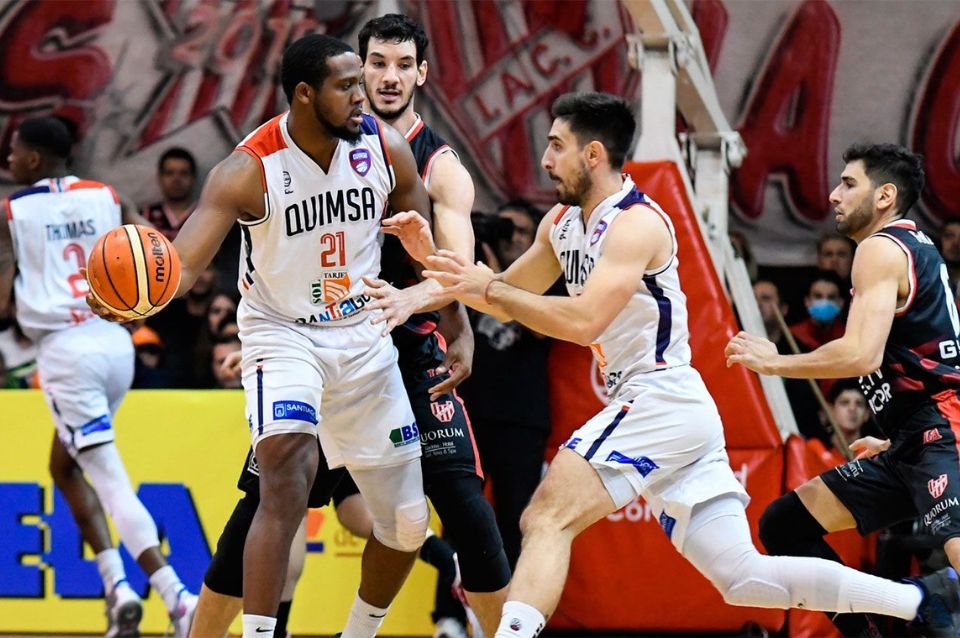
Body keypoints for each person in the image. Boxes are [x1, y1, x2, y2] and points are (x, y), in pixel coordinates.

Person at [385, 94, 960, 638]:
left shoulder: (636, 222)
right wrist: (426, 260)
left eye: (557, 146)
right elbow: (502, 297)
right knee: (742, 576)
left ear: (593, 154)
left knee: (546, 515)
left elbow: (581, 321)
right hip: (671, 413)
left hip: (658, 397)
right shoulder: (560, 223)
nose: (545, 160)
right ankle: (921, 601)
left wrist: (489, 289)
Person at [89, 33, 435, 638]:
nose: (361, 96)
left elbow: (428, 250)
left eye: (359, 83)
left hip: (364, 335)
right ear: (305, 95)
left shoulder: (387, 149)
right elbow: (182, 266)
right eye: (346, 86)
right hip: (283, 334)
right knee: (286, 476)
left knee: (408, 525)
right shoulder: (249, 169)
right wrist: (133, 299)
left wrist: (456, 325)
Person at [190, 15, 510, 638]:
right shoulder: (261, 161)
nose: (383, 80)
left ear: (421, 74)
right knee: (273, 492)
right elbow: (191, 263)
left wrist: (455, 323)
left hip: (396, 341)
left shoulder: (430, 161)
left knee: (454, 513)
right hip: (297, 335)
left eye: (401, 65)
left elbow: (453, 262)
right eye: (374, 66)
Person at [728, 143, 960, 636]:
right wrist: (898, 433)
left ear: (885, 196)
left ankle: (930, 600)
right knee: (784, 524)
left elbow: (860, 355)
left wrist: (774, 362)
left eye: (849, 183)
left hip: (941, 430)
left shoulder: (881, 247)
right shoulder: (906, 248)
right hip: (912, 437)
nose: (834, 194)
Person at [1, 116, 197, 637]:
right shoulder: (106, 196)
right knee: (64, 466)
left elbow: (1, 298)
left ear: (34, 159)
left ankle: (177, 597)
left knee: (109, 480)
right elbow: (158, 254)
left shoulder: (13, 210)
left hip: (66, 352)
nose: (9, 160)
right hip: (115, 342)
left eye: (14, 151)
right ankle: (118, 590)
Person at [458, 201, 553, 569]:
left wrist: (496, 275)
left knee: (519, 516)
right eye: (505, 228)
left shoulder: (548, 277)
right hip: (470, 412)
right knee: (462, 512)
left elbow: (540, 329)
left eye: (522, 231)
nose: (511, 237)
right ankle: (454, 600)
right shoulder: (474, 269)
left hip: (521, 419)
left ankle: (516, 598)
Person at [141, 147, 197, 242]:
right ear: (159, 177)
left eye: (183, 173)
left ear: (193, 177)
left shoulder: (206, 216)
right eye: (169, 173)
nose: (176, 179)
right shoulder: (144, 216)